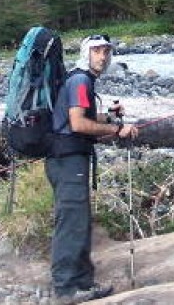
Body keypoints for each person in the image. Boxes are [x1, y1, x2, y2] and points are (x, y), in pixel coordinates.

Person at [47, 34, 139, 302]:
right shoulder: (80, 80)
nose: (103, 56)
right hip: (67, 159)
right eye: (97, 51)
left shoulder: (81, 79)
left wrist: (109, 116)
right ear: (86, 53)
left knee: (79, 220)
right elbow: (78, 124)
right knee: (72, 223)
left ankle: (83, 282)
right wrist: (117, 129)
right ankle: (67, 288)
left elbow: (83, 116)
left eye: (106, 52)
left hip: (69, 158)